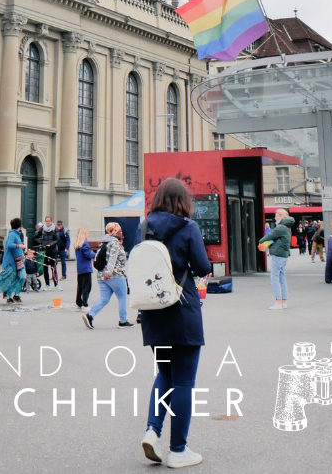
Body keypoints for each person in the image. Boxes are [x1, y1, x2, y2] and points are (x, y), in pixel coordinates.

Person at [136, 177, 211, 468]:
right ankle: (178, 450)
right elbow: (203, 267)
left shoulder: (143, 228)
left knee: (164, 374)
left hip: (153, 312)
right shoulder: (188, 227)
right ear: (182, 201)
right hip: (182, 311)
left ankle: (152, 431)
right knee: (183, 381)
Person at [82, 221, 132, 330]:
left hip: (101, 276)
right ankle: (123, 321)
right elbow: (112, 259)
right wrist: (108, 272)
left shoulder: (104, 242)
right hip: (114, 275)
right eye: (119, 230)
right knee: (122, 297)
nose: (121, 232)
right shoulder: (114, 243)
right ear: (114, 231)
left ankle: (90, 315)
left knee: (104, 298)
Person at [258, 207, 294, 310]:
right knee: (282, 277)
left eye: (276, 215)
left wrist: (261, 242)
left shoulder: (280, 227)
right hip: (284, 255)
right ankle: (283, 301)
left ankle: (278, 301)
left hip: (278, 255)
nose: (275, 217)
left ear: (281, 216)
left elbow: (267, 237)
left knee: (274, 278)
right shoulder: (287, 227)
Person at [0, 217, 25, 303]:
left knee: (21, 277)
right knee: (12, 279)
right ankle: (10, 297)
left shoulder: (16, 234)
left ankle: (16, 295)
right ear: (19, 226)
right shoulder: (13, 234)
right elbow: (10, 245)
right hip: (11, 262)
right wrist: (20, 246)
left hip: (18, 261)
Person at [74, 226, 94, 309]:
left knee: (80, 285)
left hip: (80, 268)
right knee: (87, 286)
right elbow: (87, 254)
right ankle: (84, 301)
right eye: (87, 233)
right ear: (84, 234)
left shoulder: (77, 244)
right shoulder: (85, 243)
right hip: (86, 267)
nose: (88, 235)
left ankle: (78, 301)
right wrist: (95, 254)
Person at [40, 216, 59, 287]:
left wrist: (50, 244)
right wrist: (42, 243)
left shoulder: (55, 229)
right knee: (45, 268)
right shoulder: (42, 229)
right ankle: (47, 284)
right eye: (46, 221)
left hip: (53, 250)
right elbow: (35, 237)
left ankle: (56, 284)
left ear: (51, 221)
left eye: (49, 221)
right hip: (45, 250)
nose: (48, 222)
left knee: (53, 268)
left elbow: (57, 239)